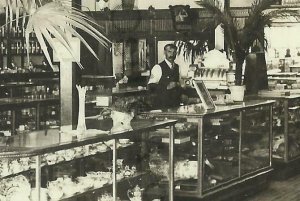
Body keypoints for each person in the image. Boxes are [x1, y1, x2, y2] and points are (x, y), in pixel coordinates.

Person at [148, 43, 182, 108]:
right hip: (162, 105)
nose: (172, 55)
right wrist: (166, 87)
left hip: (175, 105)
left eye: (174, 52)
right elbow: (151, 86)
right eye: (169, 52)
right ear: (164, 52)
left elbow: (180, 84)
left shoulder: (178, 67)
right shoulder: (158, 67)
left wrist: (178, 84)